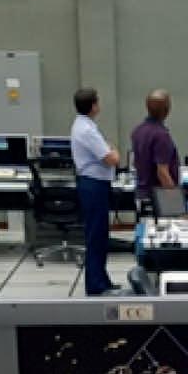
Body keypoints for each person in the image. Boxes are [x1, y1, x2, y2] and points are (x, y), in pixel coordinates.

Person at [69, 87, 121, 296]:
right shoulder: (87, 131)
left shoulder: (84, 125)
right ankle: (96, 285)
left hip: (93, 184)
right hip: (94, 186)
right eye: (97, 101)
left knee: (99, 235)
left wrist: (109, 149)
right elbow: (111, 158)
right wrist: (114, 150)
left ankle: (101, 280)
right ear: (93, 106)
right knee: (96, 236)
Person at [129, 89, 180, 206]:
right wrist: (176, 202)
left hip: (142, 194)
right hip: (159, 198)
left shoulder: (138, 131)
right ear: (167, 109)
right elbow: (162, 173)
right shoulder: (161, 135)